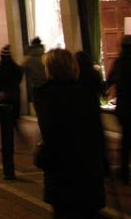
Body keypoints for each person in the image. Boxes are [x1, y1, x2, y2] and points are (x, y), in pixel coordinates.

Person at [34, 48, 106, 217]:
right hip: (89, 169)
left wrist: (42, 156)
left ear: (50, 69)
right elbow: (97, 132)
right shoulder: (86, 94)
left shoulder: (45, 95)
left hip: (62, 173)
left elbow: (51, 135)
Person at [0, 44, 25, 180]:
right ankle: (19, 140)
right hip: (14, 102)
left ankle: (8, 170)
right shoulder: (16, 68)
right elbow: (20, 78)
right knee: (14, 123)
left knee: (5, 134)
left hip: (3, 104)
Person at [107, 35, 131, 184]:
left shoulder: (119, 62)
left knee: (126, 141)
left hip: (124, 108)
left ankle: (123, 172)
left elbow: (110, 81)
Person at [22, 37, 45, 114]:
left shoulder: (28, 58)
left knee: (38, 108)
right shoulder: (45, 56)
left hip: (34, 84)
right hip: (46, 84)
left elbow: (21, 70)